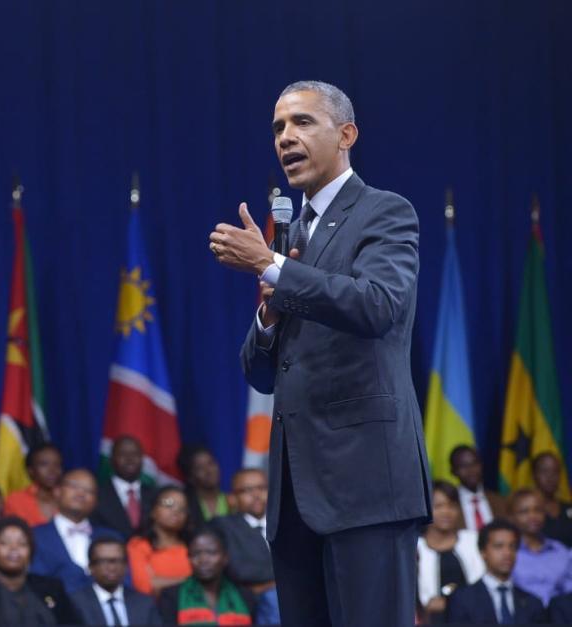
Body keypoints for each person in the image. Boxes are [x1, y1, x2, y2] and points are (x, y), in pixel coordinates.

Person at [219, 80, 432, 627]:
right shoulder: (295, 233)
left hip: (366, 488)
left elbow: (378, 305)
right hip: (294, 500)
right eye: (277, 129)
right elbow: (262, 373)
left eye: (302, 123)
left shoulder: (385, 212)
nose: (285, 138)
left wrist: (272, 266)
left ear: (346, 134)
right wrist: (268, 314)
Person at [0, 516, 79, 625]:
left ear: (30, 553)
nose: (14, 548)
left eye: (22, 543)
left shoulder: (52, 588)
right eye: (4, 543)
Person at [32, 469, 121, 593]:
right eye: (74, 486)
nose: (81, 493)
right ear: (57, 491)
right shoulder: (34, 536)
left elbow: (124, 586)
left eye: (89, 490)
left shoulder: (112, 538)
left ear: (96, 501)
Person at [446, 519, 548, 623]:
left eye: (512, 546)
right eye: (499, 546)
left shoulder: (533, 602)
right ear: (483, 552)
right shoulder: (462, 599)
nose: (507, 553)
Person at [212, 468, 280, 625]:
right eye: (247, 490)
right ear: (232, 498)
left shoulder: (285, 523)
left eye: (262, 488)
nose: (256, 495)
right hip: (249, 602)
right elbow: (241, 571)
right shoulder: (222, 526)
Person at [156, 526, 256, 625]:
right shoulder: (171, 596)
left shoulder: (244, 596)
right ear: (189, 558)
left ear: (225, 557)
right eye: (196, 553)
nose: (203, 560)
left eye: (211, 553)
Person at [416, 480, 485, 622]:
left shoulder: (473, 540)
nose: (446, 512)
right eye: (438, 506)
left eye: (452, 506)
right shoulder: (415, 547)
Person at [70, 537, 162, 625]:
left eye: (117, 561)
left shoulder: (144, 603)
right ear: (90, 567)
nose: (112, 567)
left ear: (126, 566)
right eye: (103, 561)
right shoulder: (75, 603)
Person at [509, 488, 572, 606]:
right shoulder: (509, 552)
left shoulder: (560, 551)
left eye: (538, 510)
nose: (532, 516)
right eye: (524, 511)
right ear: (512, 517)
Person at [127, 485, 192, 596]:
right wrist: (190, 581)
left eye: (182, 508)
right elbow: (145, 587)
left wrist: (160, 581)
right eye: (169, 504)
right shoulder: (138, 545)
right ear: (153, 511)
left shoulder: (192, 547)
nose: (176, 511)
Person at [91, 435, 158, 540]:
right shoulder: (96, 494)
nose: (130, 459)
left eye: (135, 454)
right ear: (111, 460)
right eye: (122, 454)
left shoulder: (155, 495)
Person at [450, 445, 508, 531]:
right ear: (454, 471)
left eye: (474, 463)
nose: (471, 470)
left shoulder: (499, 500)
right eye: (464, 466)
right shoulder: (451, 502)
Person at [4, 443, 62, 526]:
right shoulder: (15, 501)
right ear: (31, 470)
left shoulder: (68, 500)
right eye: (44, 464)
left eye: (57, 464)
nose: (52, 470)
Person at [178, 445, 228, 523]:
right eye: (200, 468)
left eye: (210, 463)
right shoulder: (186, 506)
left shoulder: (231, 500)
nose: (209, 471)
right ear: (190, 477)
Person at [532, 451, 572, 546]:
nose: (550, 477)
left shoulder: (568, 508)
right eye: (545, 471)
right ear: (534, 475)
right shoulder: (528, 510)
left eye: (555, 472)